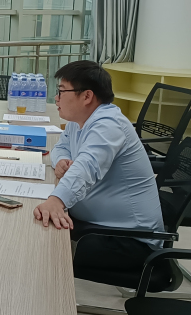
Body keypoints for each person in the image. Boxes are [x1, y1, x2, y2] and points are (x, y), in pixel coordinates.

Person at [33, 60, 165, 270]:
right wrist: (61, 161)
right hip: (101, 226)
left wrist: (57, 200)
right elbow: (61, 146)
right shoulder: (80, 119)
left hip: (130, 239)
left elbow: (87, 167)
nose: (56, 98)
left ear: (87, 96)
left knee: (41, 248)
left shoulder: (109, 125)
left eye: (61, 91)